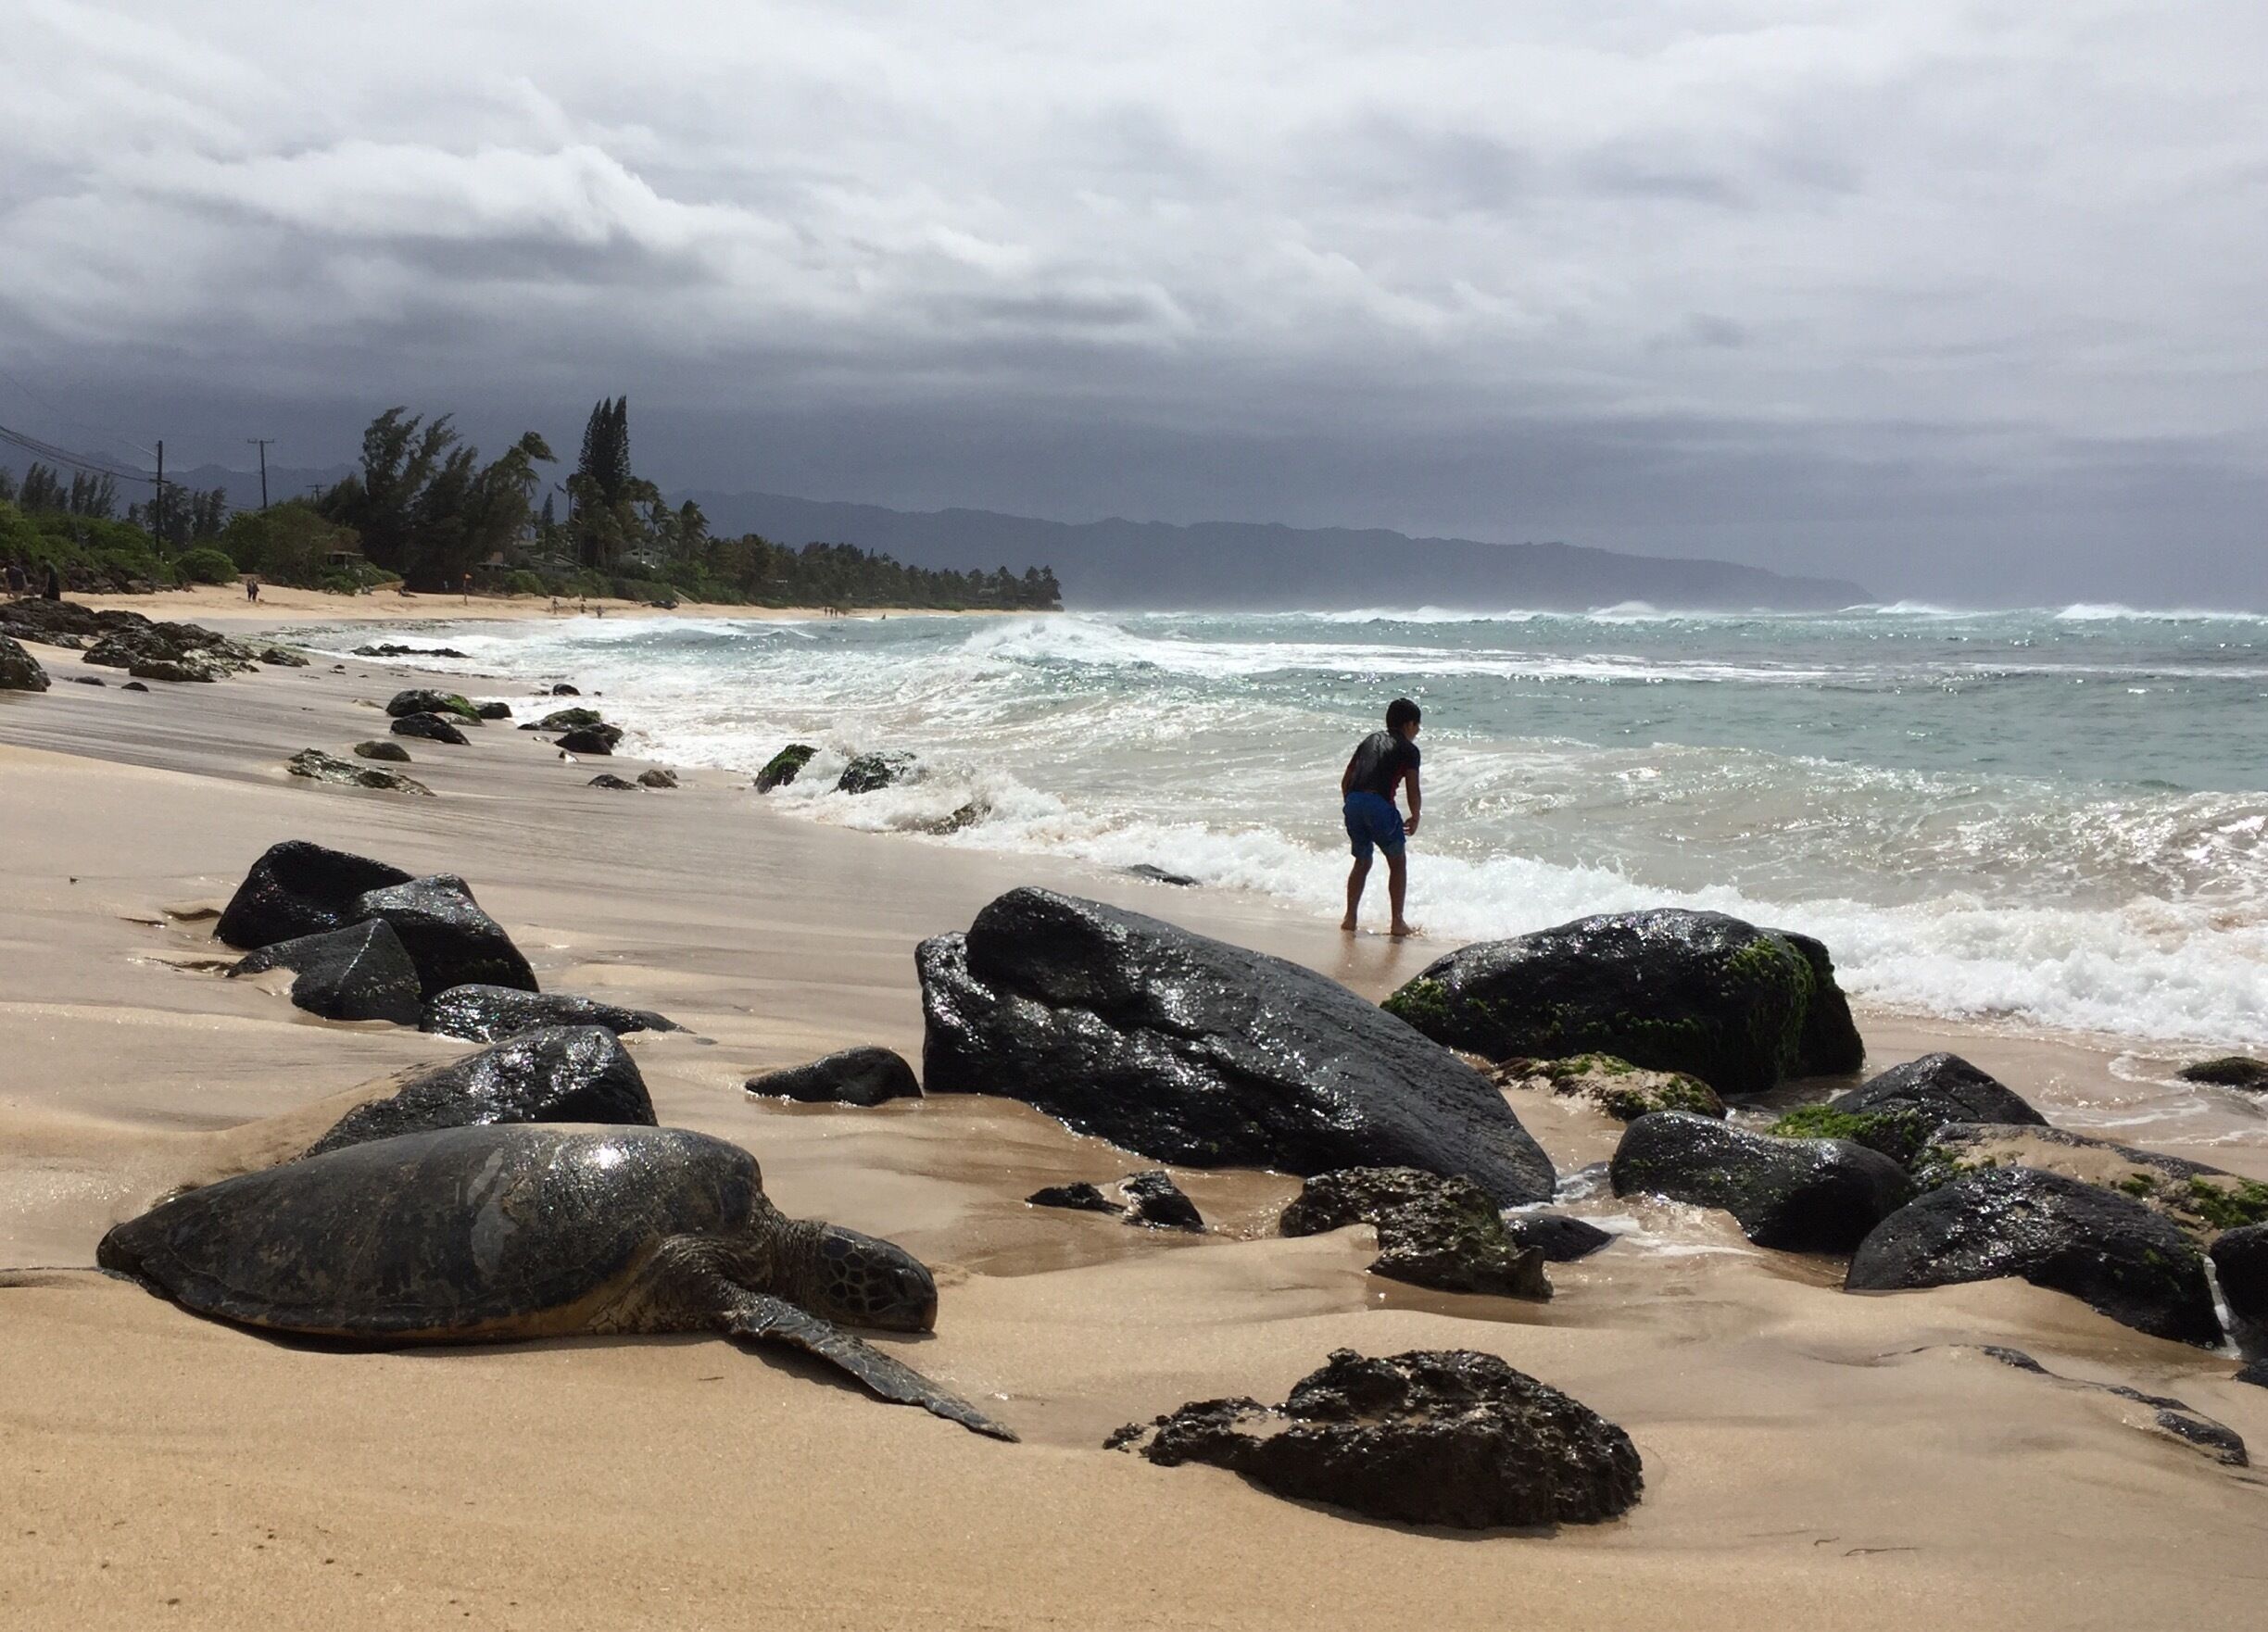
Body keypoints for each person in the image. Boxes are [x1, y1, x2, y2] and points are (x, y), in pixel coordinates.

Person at [1340, 697, 1423, 937]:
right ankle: (1397, 922)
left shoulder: (1369, 740)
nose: (1417, 732)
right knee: (1397, 862)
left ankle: (1350, 918)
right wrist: (1415, 815)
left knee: (1362, 861)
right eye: (1417, 726)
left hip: (1353, 801)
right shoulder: (1409, 750)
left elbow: (1346, 779)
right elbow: (1412, 788)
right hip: (1379, 805)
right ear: (1409, 725)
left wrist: (1353, 803)